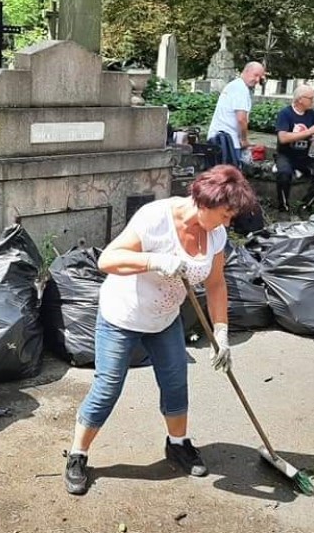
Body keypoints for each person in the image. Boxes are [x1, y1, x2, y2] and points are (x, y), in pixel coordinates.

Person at [63, 165, 259, 496]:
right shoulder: (156, 217)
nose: (227, 224)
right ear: (206, 202)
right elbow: (107, 260)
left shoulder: (216, 235)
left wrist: (221, 332)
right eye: (225, 215)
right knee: (108, 387)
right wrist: (153, 261)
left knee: (175, 381)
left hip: (164, 319)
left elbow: (215, 284)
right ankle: (77, 455)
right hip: (122, 316)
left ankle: (178, 444)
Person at [274, 85, 314, 216]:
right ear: (300, 99)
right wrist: (308, 132)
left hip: (306, 155)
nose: (313, 101)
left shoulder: (311, 114)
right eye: (311, 98)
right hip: (286, 154)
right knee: (284, 173)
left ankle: (305, 205)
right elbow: (283, 138)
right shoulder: (285, 113)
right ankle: (283, 208)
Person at [207, 62, 267, 168]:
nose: (257, 80)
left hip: (218, 138)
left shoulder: (234, 85)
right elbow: (241, 119)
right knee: (231, 174)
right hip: (227, 141)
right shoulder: (241, 89)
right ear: (246, 71)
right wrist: (244, 140)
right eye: (255, 75)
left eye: (260, 77)